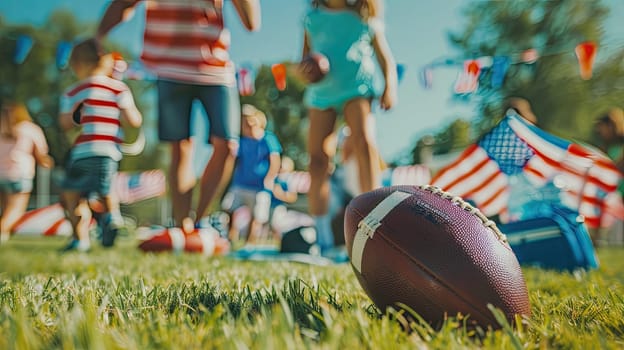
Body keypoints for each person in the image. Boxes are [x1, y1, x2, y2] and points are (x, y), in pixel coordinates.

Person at [96, 0, 261, 228]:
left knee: (227, 145)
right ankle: (183, 226)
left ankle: (201, 220)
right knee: (180, 146)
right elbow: (124, 3)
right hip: (168, 66)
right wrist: (97, 37)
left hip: (216, 67)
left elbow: (251, 23)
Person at [298, 0, 397, 253]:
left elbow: (385, 57)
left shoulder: (364, 17)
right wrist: (306, 70)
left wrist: (390, 86)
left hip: (357, 87)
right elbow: (304, 60)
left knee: (364, 144)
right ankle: (322, 236)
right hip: (322, 93)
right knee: (317, 159)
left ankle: (376, 221)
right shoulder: (313, 18)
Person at [58, 38, 143, 251]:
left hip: (81, 152)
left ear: (77, 65)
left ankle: (80, 239)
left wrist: (81, 116)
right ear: (106, 62)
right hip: (107, 151)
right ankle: (112, 216)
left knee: (72, 196)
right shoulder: (118, 89)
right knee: (106, 187)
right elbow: (134, 120)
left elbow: (65, 123)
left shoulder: (72, 92)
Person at [221, 104, 282, 243]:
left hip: (259, 186)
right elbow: (235, 160)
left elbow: (275, 160)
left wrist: (270, 178)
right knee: (228, 208)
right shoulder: (242, 141)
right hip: (240, 183)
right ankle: (230, 238)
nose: (247, 125)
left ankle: (249, 244)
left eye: (249, 121)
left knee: (256, 217)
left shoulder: (268, 139)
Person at [0, 102, 54, 244]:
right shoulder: (30, 129)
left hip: (1, 174)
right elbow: (41, 154)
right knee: (16, 210)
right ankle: (2, 231)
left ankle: (5, 235)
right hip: (19, 174)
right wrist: (46, 162)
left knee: (5, 208)